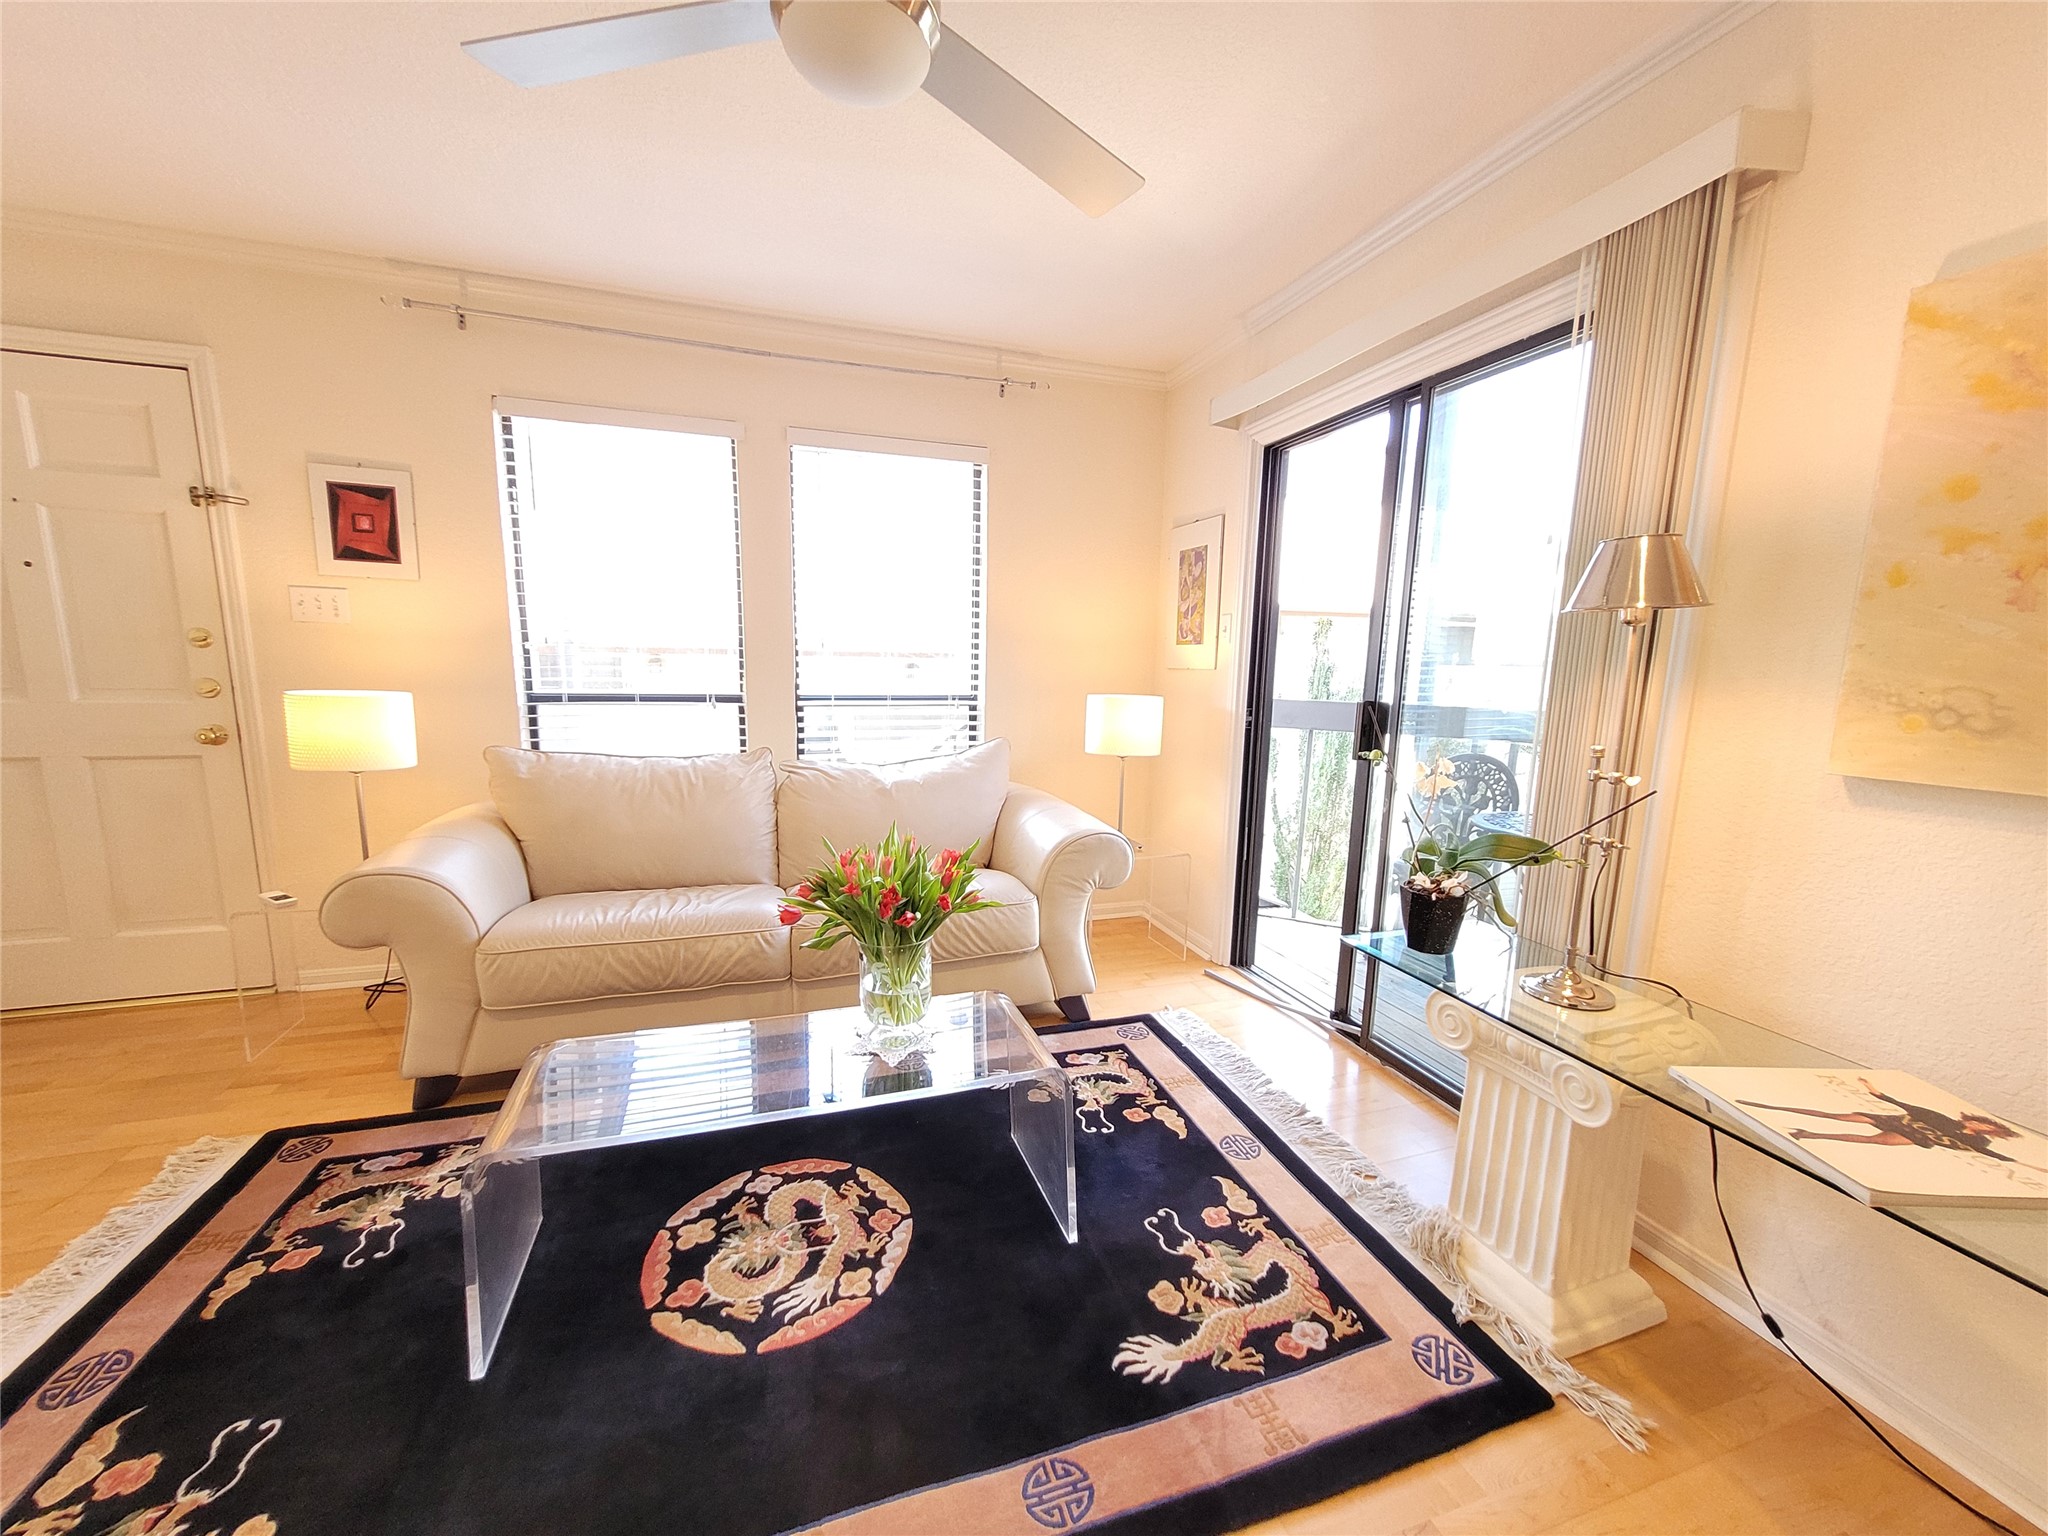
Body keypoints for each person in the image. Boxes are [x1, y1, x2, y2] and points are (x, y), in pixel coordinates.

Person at [1738, 1077, 2041, 1169]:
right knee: (1837, 1115)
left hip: (1916, 1137)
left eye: (1990, 1129)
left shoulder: (1979, 1142)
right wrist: (1876, 1092)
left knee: (1871, 1140)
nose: (1985, 1129)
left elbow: (1986, 1153)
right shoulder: (1944, 1118)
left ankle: (1809, 1135)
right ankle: (1770, 1106)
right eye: (1985, 1125)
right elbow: (1911, 1107)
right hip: (1901, 1121)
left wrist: (2026, 1164)